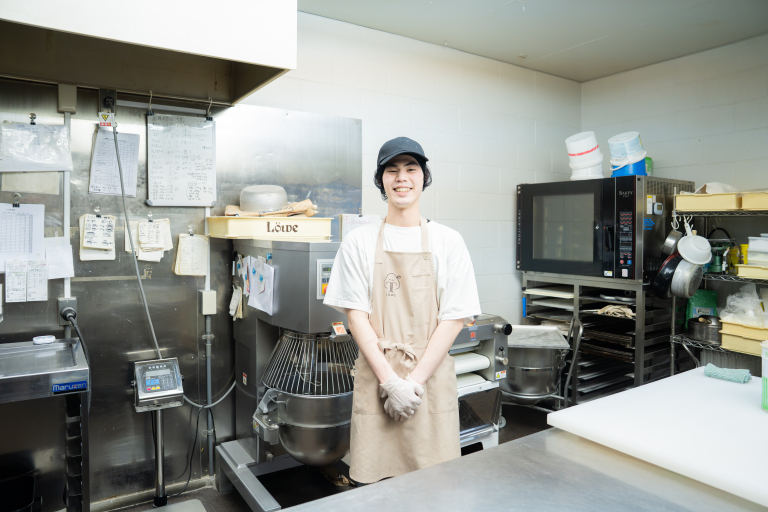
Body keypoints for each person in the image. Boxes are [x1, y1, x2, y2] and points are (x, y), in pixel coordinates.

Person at [323, 137, 481, 484]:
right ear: (381, 181)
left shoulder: (448, 241)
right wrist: (391, 382)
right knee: (376, 486)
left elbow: (453, 318)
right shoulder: (359, 242)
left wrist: (412, 382)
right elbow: (356, 317)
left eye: (411, 168)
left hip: (429, 380)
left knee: (434, 483)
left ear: (424, 177)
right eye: (392, 170)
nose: (402, 178)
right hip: (378, 378)